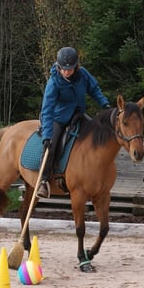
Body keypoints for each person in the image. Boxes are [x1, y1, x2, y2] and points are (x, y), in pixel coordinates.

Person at [36, 46, 111, 198]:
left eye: (69, 69)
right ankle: (43, 181)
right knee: (52, 144)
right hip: (58, 118)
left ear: (76, 66)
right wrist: (47, 136)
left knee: (98, 134)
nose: (66, 72)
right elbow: (47, 109)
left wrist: (105, 104)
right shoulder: (54, 82)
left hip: (78, 115)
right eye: (63, 69)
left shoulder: (82, 74)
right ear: (58, 66)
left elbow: (94, 89)